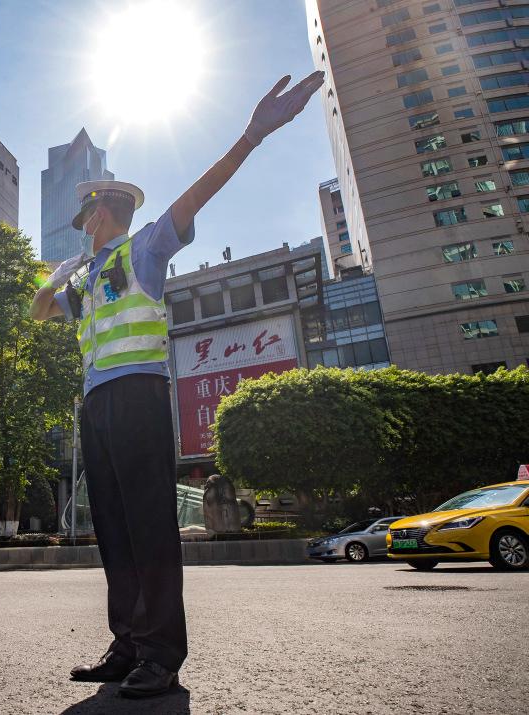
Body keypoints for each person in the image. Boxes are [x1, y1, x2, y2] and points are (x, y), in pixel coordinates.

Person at [30, 71, 324, 699]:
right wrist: (55, 280)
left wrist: (253, 134)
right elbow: (36, 313)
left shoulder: (143, 250)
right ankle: (128, 644)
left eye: (86, 212)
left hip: (139, 395)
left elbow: (200, 193)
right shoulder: (84, 285)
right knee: (113, 525)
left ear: (104, 211)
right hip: (96, 405)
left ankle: (161, 654)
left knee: (149, 524)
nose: (82, 221)